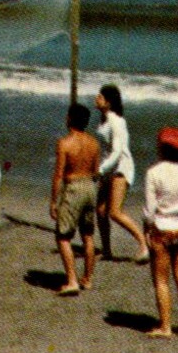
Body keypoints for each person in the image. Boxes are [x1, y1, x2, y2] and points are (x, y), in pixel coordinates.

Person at [142, 127, 178, 337]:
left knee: (161, 280)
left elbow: (149, 208)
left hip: (162, 228)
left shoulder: (154, 172)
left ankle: (165, 326)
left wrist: (147, 228)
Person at [50, 102, 101, 295]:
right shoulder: (94, 143)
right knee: (87, 235)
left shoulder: (64, 143)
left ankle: (71, 280)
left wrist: (53, 201)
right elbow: (96, 172)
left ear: (70, 119)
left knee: (63, 236)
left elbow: (59, 175)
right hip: (90, 186)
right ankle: (87, 278)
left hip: (73, 187)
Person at [95, 85, 149, 263]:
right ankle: (107, 250)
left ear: (108, 102)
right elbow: (106, 150)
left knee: (115, 212)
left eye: (100, 97)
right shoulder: (103, 120)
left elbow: (117, 151)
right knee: (101, 211)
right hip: (109, 168)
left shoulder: (116, 121)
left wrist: (100, 169)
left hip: (121, 168)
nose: (96, 98)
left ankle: (144, 244)